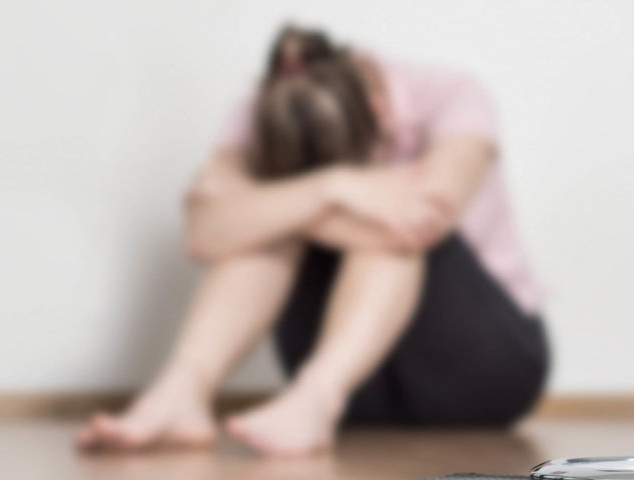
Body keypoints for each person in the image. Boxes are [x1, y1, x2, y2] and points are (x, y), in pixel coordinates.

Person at [76, 24, 547, 458]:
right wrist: (334, 188)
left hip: (483, 370)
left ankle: (316, 398)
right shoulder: (267, 106)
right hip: (361, 393)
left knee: (382, 227)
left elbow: (421, 217)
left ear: (379, 111)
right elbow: (203, 233)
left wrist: (283, 204)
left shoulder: (452, 94)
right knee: (269, 225)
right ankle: (182, 393)